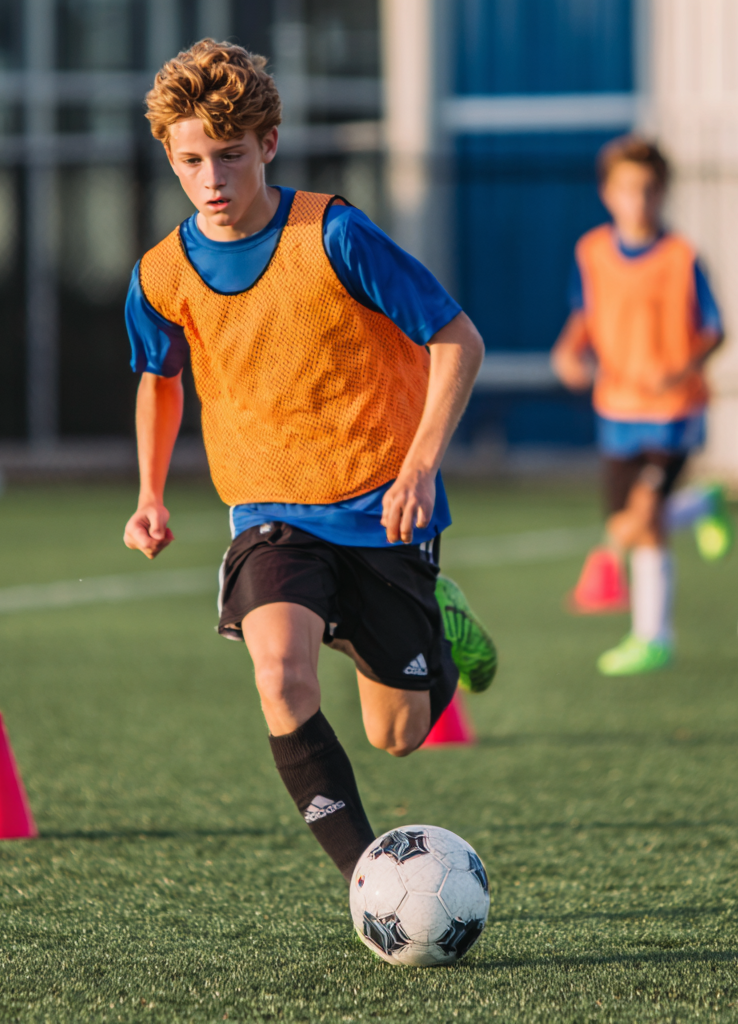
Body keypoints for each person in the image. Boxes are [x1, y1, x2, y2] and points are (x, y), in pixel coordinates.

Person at [122, 39, 497, 882]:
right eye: (191, 161)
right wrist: (149, 492)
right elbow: (159, 379)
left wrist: (421, 466)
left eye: (228, 156)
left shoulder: (335, 234)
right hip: (270, 514)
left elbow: (457, 339)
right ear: (169, 159)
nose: (211, 179)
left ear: (269, 144)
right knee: (281, 676)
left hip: (382, 504)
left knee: (394, 736)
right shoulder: (159, 276)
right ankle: (373, 880)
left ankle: (441, 613)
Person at [551, 135, 733, 676]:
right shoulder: (591, 253)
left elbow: (716, 330)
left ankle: (654, 637)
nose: (640, 200)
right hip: (617, 411)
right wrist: (568, 352)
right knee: (626, 529)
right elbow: (582, 319)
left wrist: (680, 368)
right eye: (629, 189)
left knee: (644, 518)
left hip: (675, 410)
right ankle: (703, 505)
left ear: (664, 193)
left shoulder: (682, 257)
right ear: (609, 193)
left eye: (650, 189)